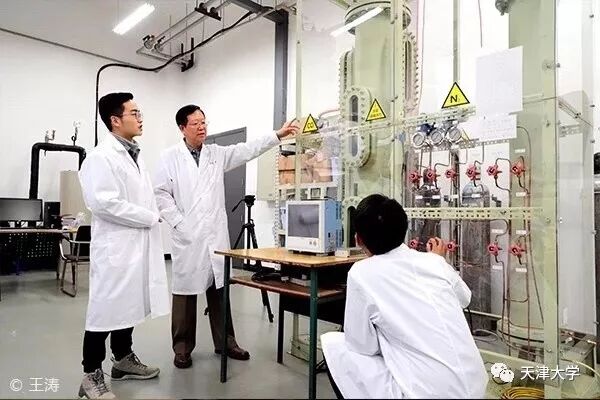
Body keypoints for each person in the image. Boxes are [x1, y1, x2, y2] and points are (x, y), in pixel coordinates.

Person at [154, 105, 299, 368]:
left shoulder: (216, 154)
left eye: (204, 122)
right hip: (188, 236)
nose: (202, 127)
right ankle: (182, 348)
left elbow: (247, 149)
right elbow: (161, 194)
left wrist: (277, 135)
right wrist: (178, 223)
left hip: (214, 234)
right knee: (185, 295)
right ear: (182, 128)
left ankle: (226, 342)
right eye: (195, 123)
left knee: (220, 290)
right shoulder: (169, 157)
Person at [320, 194, 488, 399]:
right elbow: (465, 298)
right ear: (404, 230)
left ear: (358, 239)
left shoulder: (361, 272)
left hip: (429, 394)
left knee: (333, 344)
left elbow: (362, 346)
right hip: (476, 386)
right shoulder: (434, 262)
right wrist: (440, 262)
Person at [78, 92, 170, 399]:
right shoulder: (100, 157)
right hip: (116, 249)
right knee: (104, 311)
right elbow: (103, 203)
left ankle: (122, 360)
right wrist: (149, 217)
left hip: (135, 245)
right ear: (115, 120)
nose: (140, 118)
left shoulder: (134, 154)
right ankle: (91, 375)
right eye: (135, 113)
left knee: (128, 306)